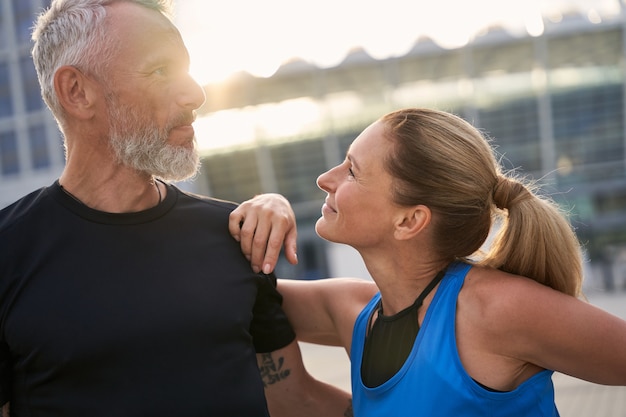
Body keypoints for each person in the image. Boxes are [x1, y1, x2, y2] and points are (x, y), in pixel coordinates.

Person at [0, 0, 351, 416]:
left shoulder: (235, 234)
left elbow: (292, 399)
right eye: (161, 70)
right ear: (77, 92)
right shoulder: (9, 251)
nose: (196, 94)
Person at [248, 107, 626, 416]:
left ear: (409, 221)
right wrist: (268, 205)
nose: (324, 179)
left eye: (351, 171)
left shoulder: (494, 308)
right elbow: (239, 296)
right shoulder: (354, 313)